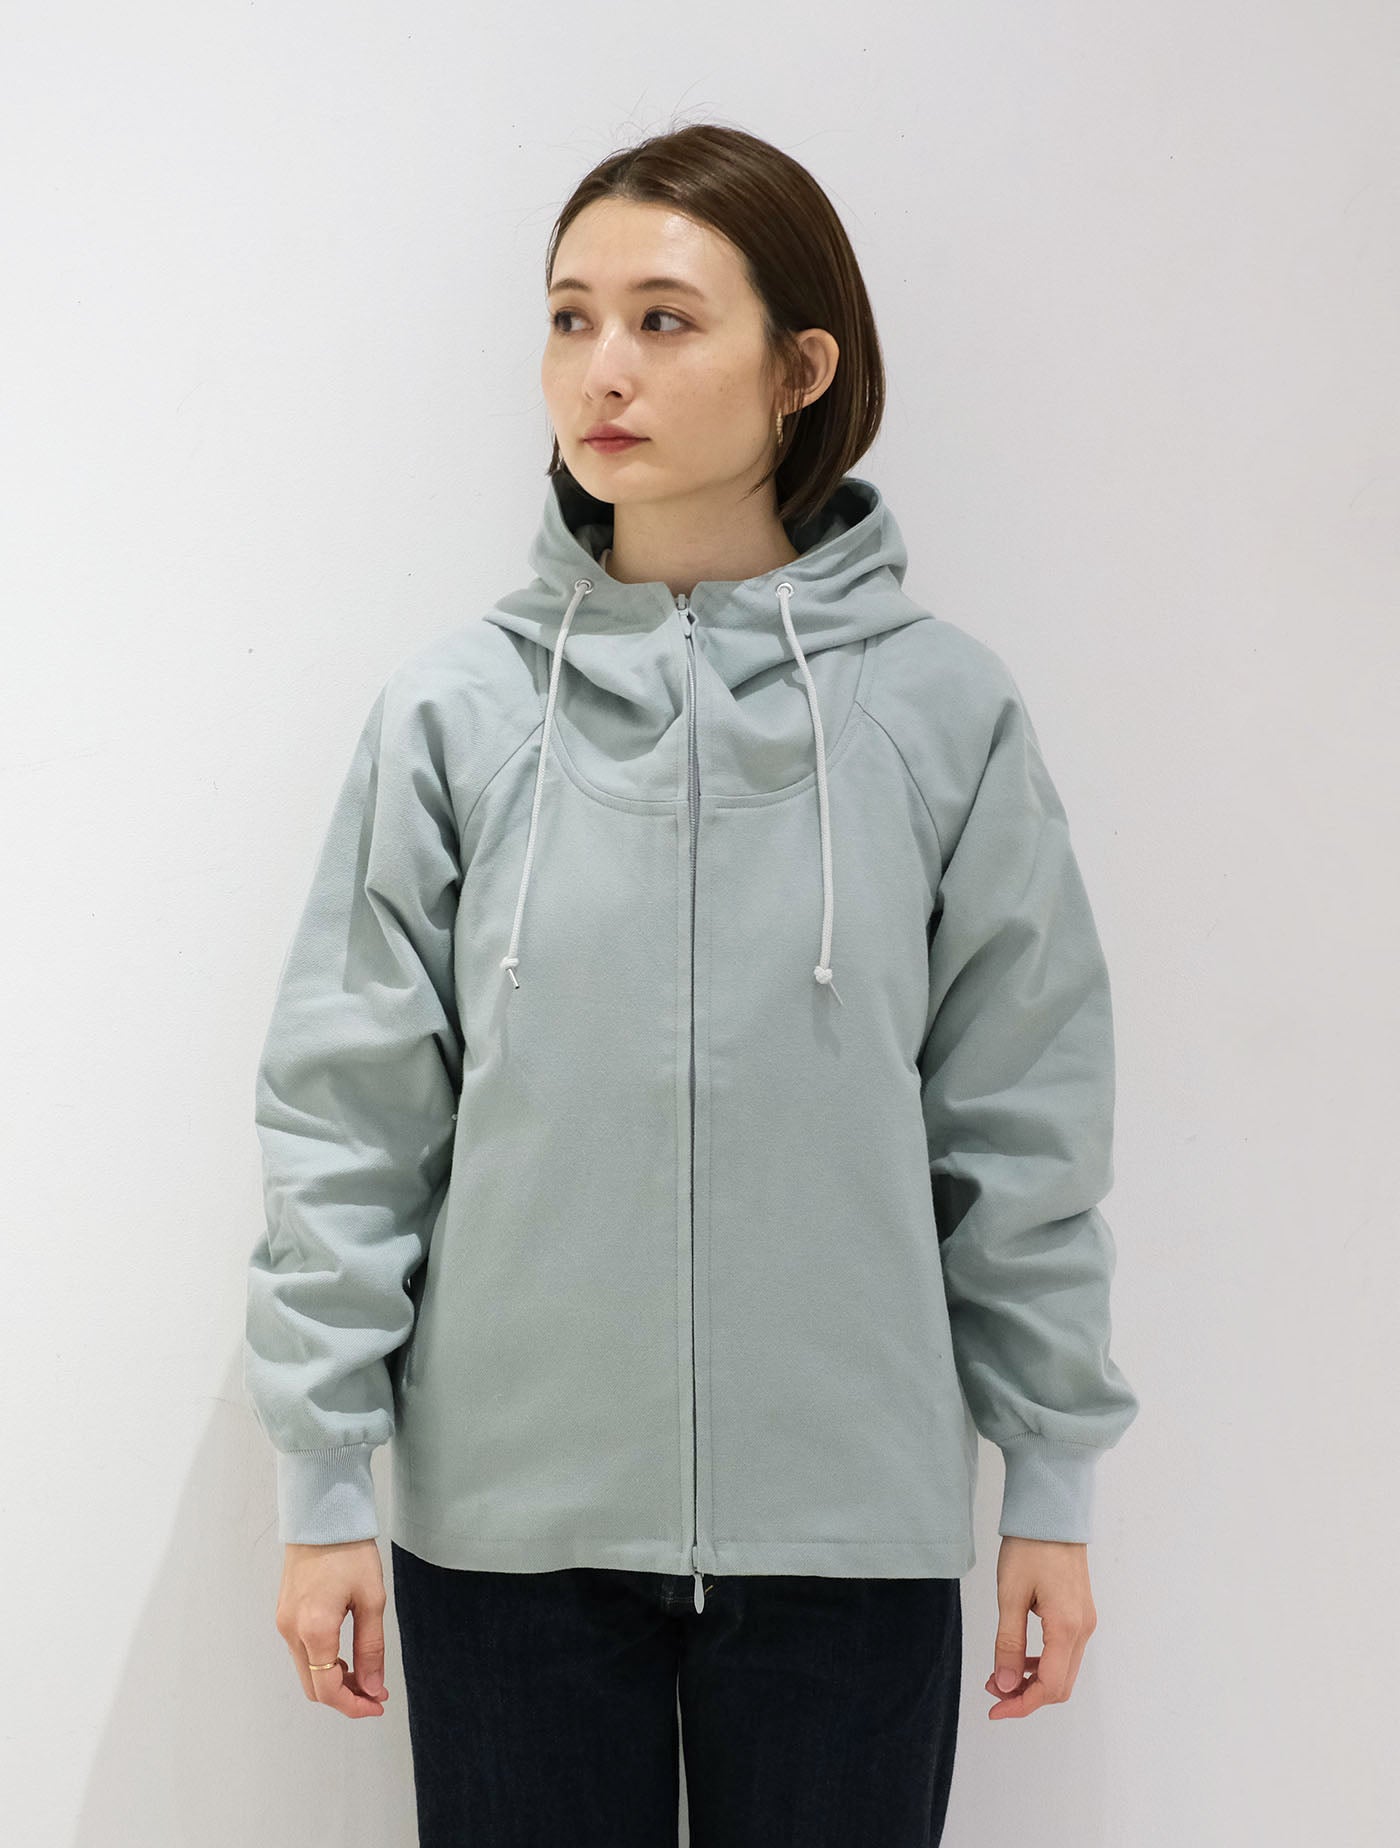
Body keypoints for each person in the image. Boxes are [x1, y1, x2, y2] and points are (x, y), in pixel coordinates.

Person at [244, 120, 1139, 1844]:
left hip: (848, 1534)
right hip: (507, 1535)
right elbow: (347, 1114)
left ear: (802, 369)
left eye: (665, 319)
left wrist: (1053, 1480)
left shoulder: (942, 713)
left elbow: (1023, 1118)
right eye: (570, 317)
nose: (604, 369)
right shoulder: (456, 716)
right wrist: (321, 1480)